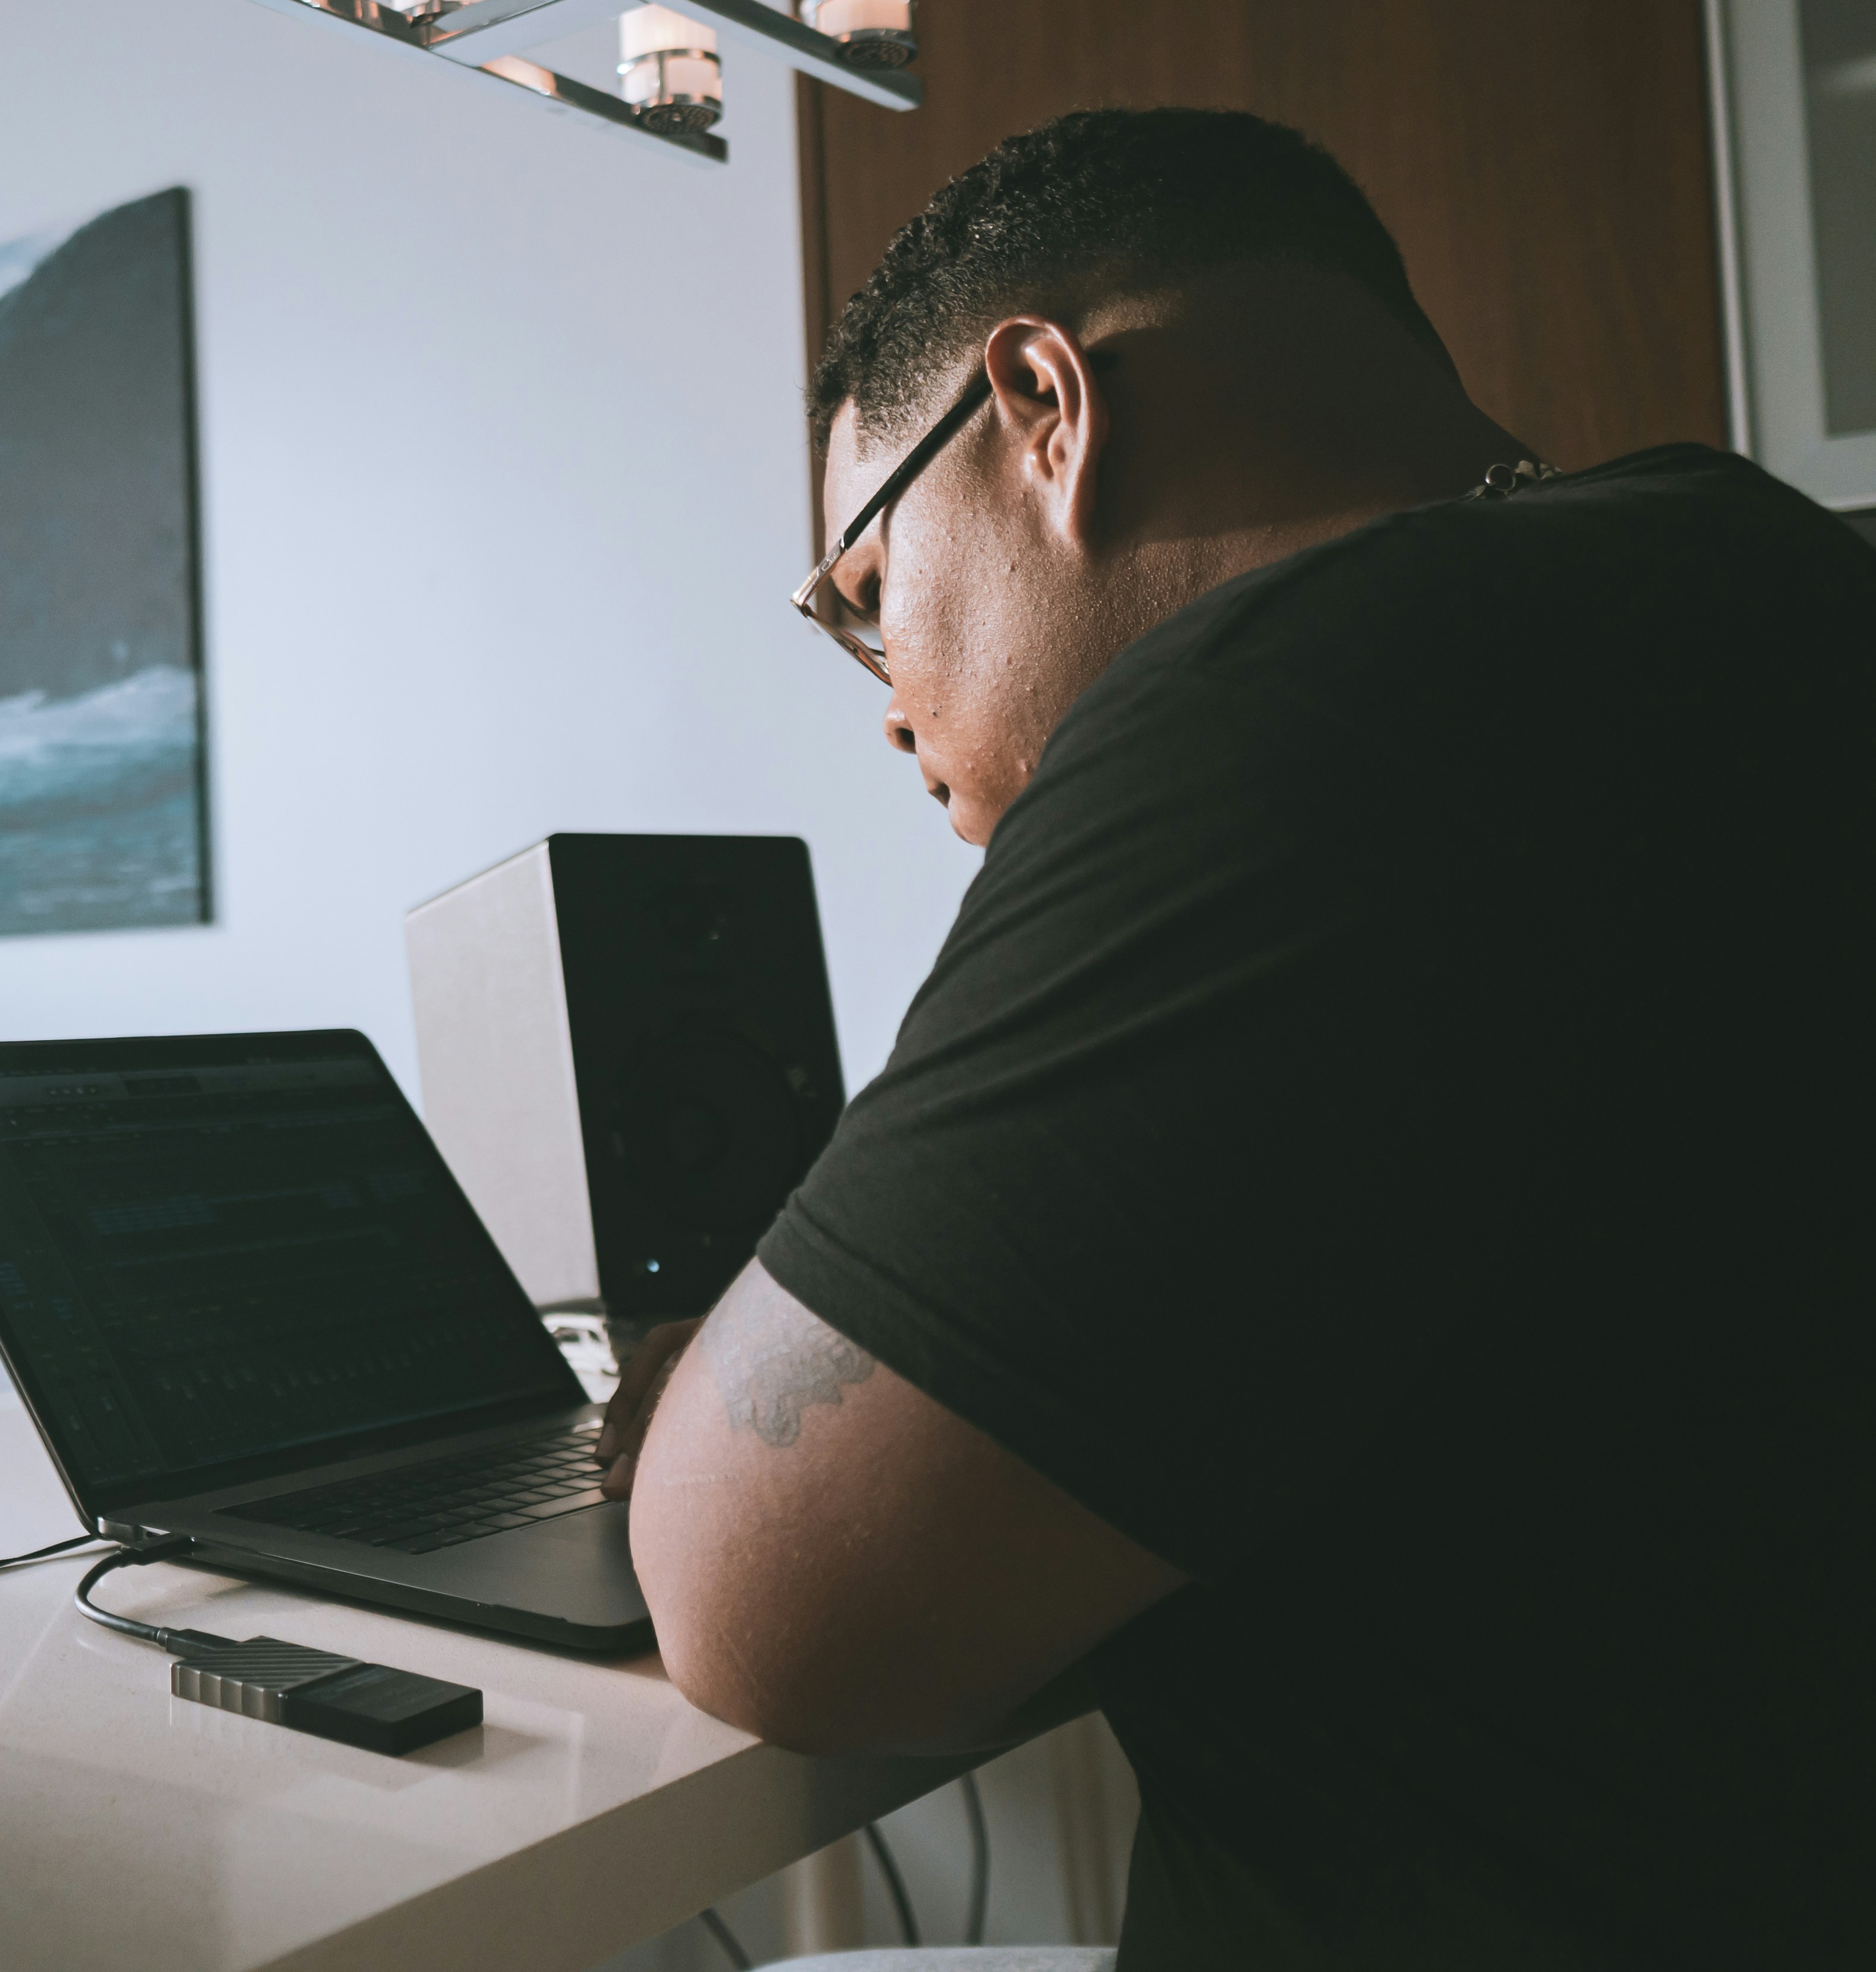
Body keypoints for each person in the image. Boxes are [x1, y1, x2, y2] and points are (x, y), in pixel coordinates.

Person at [592, 107, 1874, 1967]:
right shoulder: (1759, 577)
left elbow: (769, 1606)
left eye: (872, 598)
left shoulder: (1312, 692)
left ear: (1044, 408)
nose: (888, 712)